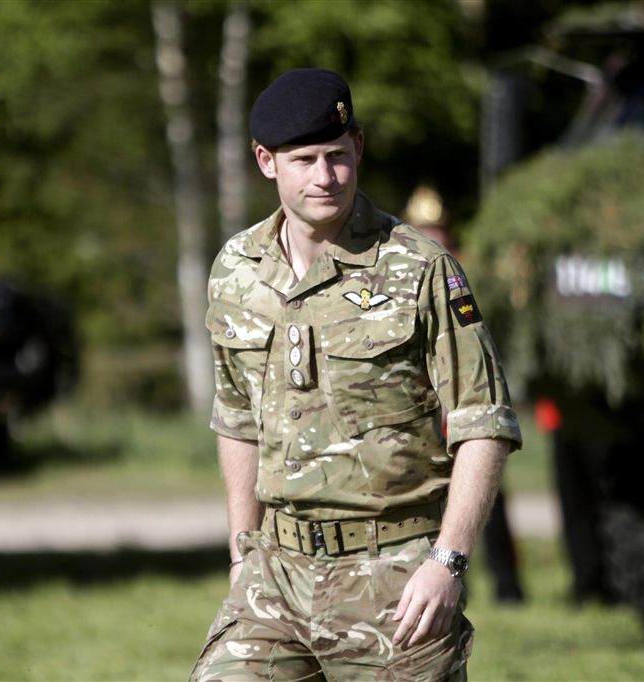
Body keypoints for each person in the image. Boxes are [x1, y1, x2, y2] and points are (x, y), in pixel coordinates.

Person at [191, 68, 522, 681]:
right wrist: (241, 552)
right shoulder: (236, 269)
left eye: (337, 156)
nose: (325, 177)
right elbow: (236, 420)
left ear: (359, 148)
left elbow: (484, 422)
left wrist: (448, 561)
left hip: (393, 578)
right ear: (266, 162)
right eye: (304, 160)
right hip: (275, 575)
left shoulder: (420, 268)